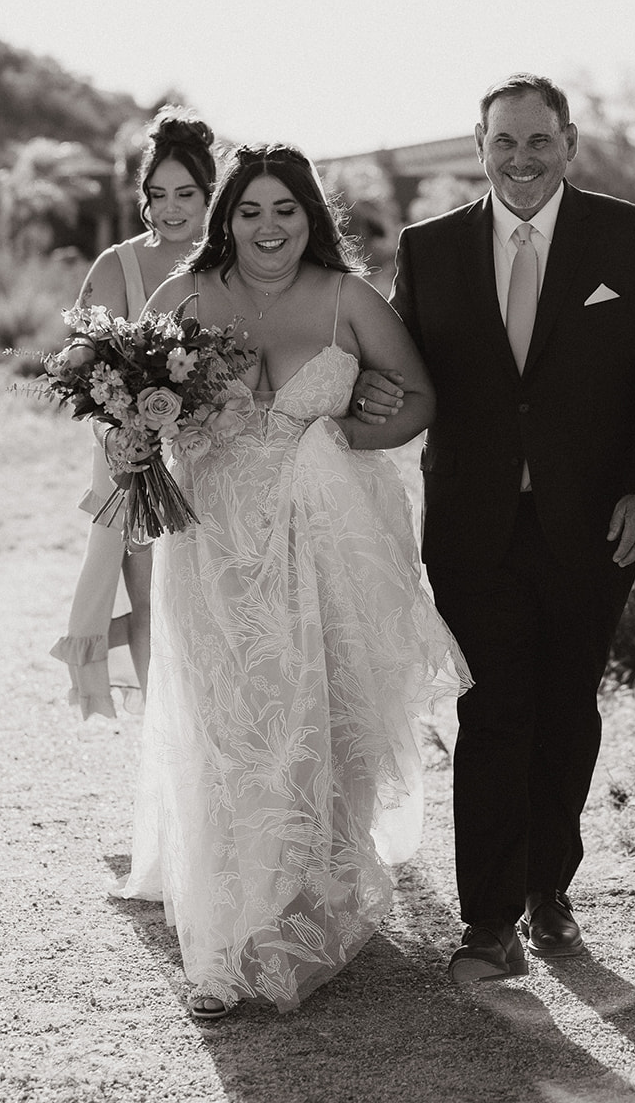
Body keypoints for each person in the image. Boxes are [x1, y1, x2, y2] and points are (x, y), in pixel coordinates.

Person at [354, 74, 635, 983]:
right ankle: (488, 920)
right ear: (479, 145)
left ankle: (552, 891)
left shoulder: (632, 237)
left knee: (565, 711)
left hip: (595, 525)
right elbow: (403, 367)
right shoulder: (429, 249)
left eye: (537, 140)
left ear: (569, 141)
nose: (520, 159)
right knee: (490, 710)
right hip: (472, 526)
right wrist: (371, 393)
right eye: (502, 142)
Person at [112, 144, 470, 1019]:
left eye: (285, 210)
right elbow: (127, 400)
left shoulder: (350, 298)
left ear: (310, 216)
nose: (267, 228)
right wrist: (129, 439)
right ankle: (228, 936)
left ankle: (313, 893)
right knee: (233, 724)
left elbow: (420, 398)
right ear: (224, 218)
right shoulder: (185, 299)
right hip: (214, 546)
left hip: (323, 537)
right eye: (249, 211)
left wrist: (346, 432)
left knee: (326, 709)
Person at [51, 108, 218, 719]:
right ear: (143, 197)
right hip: (137, 459)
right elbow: (85, 361)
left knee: (213, 601)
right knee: (149, 601)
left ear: (210, 194)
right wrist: (80, 364)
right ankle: (162, 737)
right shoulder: (116, 264)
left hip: (217, 449)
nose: (171, 208)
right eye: (158, 194)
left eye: (186, 194)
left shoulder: (234, 261)